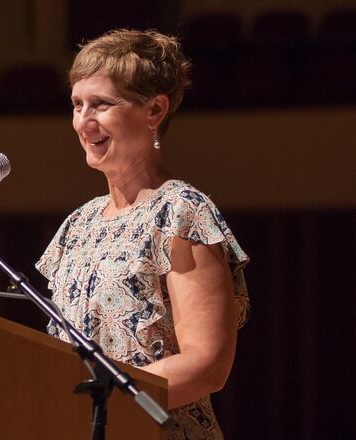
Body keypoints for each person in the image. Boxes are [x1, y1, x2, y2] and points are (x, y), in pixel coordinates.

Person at [36, 29, 249, 439]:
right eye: (77, 105)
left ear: (154, 109)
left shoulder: (180, 212)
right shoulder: (77, 226)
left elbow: (207, 364)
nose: (84, 120)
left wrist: (102, 400)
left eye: (101, 104)